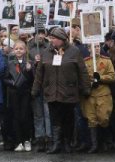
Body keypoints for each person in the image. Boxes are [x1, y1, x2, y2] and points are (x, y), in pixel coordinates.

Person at [32, 26, 90, 154]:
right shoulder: (46, 52)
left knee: (68, 118)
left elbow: (83, 72)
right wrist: (35, 89)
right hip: (51, 91)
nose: (51, 40)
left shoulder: (74, 51)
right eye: (51, 38)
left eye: (54, 38)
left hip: (69, 92)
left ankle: (67, 142)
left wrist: (86, 88)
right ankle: (57, 143)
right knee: (55, 119)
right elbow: (39, 73)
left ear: (62, 39)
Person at [81, 44, 115, 153]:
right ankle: (94, 145)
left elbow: (112, 76)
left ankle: (106, 142)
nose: (96, 48)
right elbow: (81, 76)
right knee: (91, 119)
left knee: (103, 118)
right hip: (90, 94)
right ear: (88, 49)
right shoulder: (85, 62)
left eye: (97, 46)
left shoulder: (106, 61)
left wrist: (100, 78)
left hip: (103, 94)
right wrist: (89, 82)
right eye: (93, 47)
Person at [5, 40, 34, 152]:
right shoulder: (10, 63)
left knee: (25, 116)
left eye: (21, 48)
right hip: (14, 93)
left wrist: (29, 70)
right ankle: (18, 141)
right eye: (16, 48)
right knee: (16, 117)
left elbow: (32, 79)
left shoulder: (28, 62)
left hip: (25, 93)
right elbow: (5, 78)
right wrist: (11, 82)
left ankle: (27, 140)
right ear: (13, 50)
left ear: (25, 50)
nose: (18, 50)